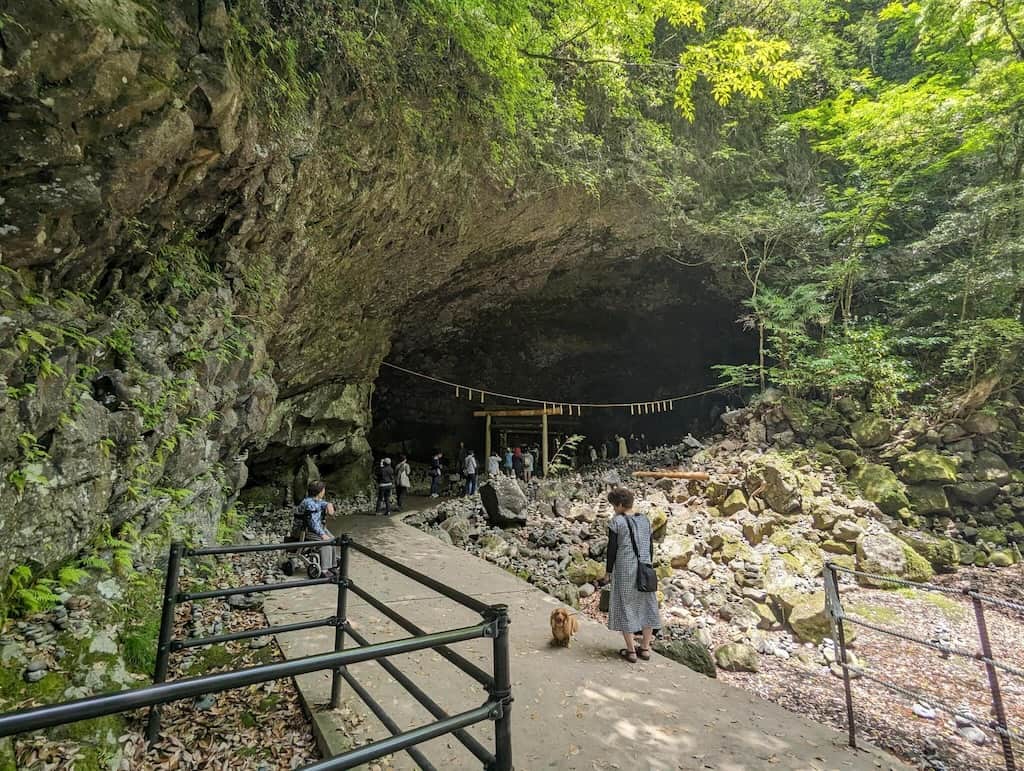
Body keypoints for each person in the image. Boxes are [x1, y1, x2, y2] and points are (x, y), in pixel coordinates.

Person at [604, 487, 660, 663]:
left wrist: (608, 572)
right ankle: (645, 648)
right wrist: (648, 565)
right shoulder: (644, 520)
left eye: (614, 506)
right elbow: (650, 547)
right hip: (645, 569)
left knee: (625, 606)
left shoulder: (617, 522)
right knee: (647, 606)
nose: (614, 509)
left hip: (625, 570)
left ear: (621, 505)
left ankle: (631, 651)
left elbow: (612, 550)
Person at [297, 480, 337, 573]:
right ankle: (324, 569)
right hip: (306, 530)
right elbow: (312, 522)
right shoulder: (309, 504)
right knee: (326, 543)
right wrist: (322, 534)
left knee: (333, 539)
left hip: (314, 528)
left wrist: (329, 505)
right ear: (320, 491)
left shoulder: (315, 500)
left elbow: (323, 503)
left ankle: (333, 565)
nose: (324, 492)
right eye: (323, 490)